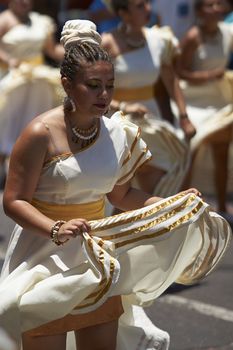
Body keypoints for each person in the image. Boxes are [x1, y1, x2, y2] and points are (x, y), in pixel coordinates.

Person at [0, 19, 231, 350]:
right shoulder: (40, 134)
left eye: (110, 85)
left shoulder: (119, 134)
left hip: (97, 257)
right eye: (93, 85)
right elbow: (13, 200)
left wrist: (170, 205)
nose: (104, 95)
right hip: (42, 257)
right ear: (66, 84)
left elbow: (121, 195)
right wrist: (55, 228)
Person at [101, 0, 196, 198]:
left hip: (151, 120)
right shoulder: (107, 43)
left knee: (158, 176)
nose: (148, 9)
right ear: (124, 14)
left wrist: (184, 116)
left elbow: (171, 81)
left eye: (147, 3)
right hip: (116, 120)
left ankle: (148, 227)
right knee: (118, 188)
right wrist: (124, 105)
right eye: (139, 6)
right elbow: (93, 88)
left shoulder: (159, 40)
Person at [175, 0, 233, 216]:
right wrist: (209, 75)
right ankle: (183, 208)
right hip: (195, 103)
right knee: (191, 153)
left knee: (222, 151)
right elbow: (179, 71)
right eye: (209, 5)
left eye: (218, 4)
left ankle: (221, 207)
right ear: (199, 11)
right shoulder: (192, 36)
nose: (216, 8)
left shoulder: (227, 33)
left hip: (219, 101)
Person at [0, 0, 64, 185]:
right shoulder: (3, 20)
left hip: (39, 79)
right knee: (6, 122)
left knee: (38, 122)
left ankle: (33, 171)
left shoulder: (41, 21)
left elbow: (51, 51)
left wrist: (75, 48)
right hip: (13, 77)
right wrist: (9, 59)